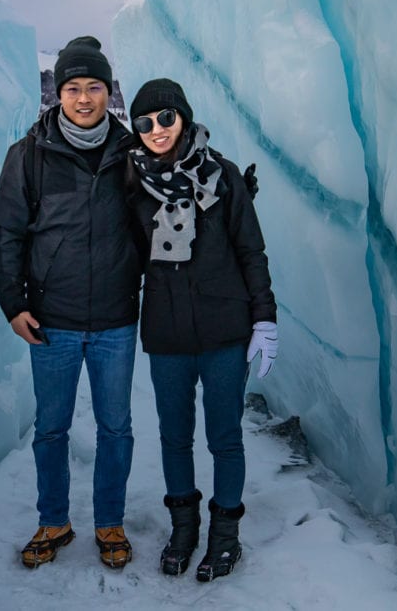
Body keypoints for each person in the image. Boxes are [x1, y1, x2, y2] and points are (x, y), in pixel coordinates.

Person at [0, 36, 141, 570]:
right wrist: (13, 304)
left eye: (94, 87)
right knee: (51, 428)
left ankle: (110, 523)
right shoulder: (28, 155)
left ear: (108, 91)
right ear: (57, 92)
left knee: (115, 428)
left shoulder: (132, 154)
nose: (83, 97)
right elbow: (6, 233)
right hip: (51, 320)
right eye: (72, 87)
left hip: (116, 321)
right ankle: (53, 521)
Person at [125, 79, 278, 582]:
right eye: (144, 123)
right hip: (167, 335)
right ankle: (184, 530)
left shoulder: (225, 177)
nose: (156, 131)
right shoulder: (131, 184)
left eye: (165, 119)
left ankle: (225, 536)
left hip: (224, 331)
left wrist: (264, 319)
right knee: (174, 437)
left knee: (224, 437)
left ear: (184, 119)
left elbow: (250, 253)